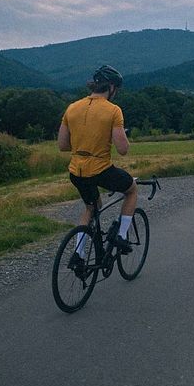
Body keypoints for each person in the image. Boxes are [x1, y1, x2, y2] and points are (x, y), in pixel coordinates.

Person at [57, 64, 137, 259]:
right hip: (100, 169)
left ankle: (79, 254)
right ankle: (120, 235)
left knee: (91, 207)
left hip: (76, 170)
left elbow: (62, 145)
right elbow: (123, 149)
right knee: (132, 189)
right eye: (115, 89)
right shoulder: (113, 111)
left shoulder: (72, 108)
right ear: (111, 87)